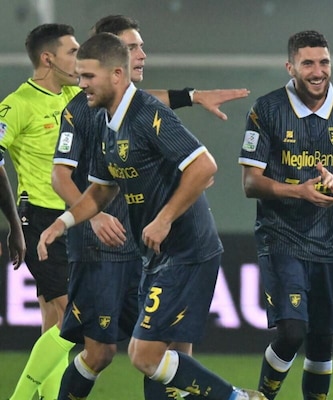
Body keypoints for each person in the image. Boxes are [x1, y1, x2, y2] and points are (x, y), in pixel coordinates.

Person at [38, 33, 264, 400]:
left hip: (187, 250)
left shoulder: (147, 113)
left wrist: (164, 218)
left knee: (144, 354)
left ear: (116, 74)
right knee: (156, 356)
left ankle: (237, 398)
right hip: (158, 255)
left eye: (88, 76)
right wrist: (62, 223)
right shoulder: (106, 122)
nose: (81, 85)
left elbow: (204, 166)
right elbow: (100, 190)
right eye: (79, 76)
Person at [238, 30, 333, 399]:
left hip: (327, 245)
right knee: (292, 333)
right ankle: (262, 396)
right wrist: (298, 191)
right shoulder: (267, 110)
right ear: (291, 67)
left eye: (324, 62)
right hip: (280, 238)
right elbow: (251, 183)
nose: (318, 72)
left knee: (322, 340)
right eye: (308, 64)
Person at [1, 23, 82, 400]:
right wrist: (15, 226)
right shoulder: (18, 104)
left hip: (73, 220)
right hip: (39, 220)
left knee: (54, 321)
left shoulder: (75, 95)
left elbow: (135, 100)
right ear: (48, 58)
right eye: (73, 52)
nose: (79, 59)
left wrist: (189, 97)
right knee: (73, 319)